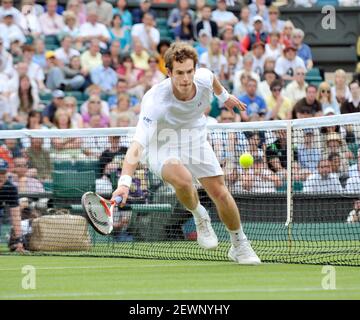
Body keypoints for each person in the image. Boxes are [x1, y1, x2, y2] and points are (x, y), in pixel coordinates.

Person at [111, 42, 261, 265]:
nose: (185, 79)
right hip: (162, 144)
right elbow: (137, 146)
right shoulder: (155, 101)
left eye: (189, 71)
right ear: (168, 72)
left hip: (194, 137)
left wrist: (224, 97)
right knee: (183, 180)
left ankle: (239, 245)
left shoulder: (203, 78)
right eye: (179, 73)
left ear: (194, 69)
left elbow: (212, 79)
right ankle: (199, 215)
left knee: (219, 191)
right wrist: (124, 183)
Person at [0, 158, 24, 252]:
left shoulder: (10, 188)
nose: (0, 176)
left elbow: (15, 216)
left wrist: (19, 240)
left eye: (3, 173)